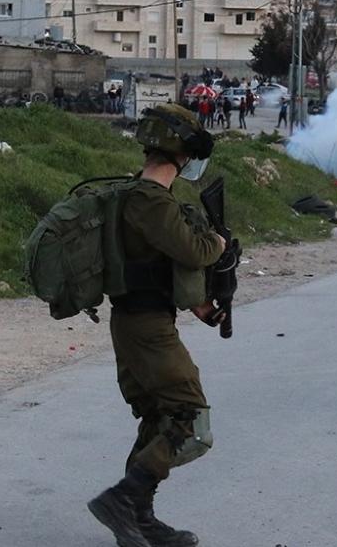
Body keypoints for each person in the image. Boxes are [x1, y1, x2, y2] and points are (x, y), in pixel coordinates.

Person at [87, 103, 227, 547]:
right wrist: (218, 243)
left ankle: (139, 519)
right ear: (181, 153)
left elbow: (159, 267)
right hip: (145, 326)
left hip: (139, 319)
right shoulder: (150, 201)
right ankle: (123, 500)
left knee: (157, 416)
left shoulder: (135, 196)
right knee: (187, 414)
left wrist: (199, 304)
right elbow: (192, 251)